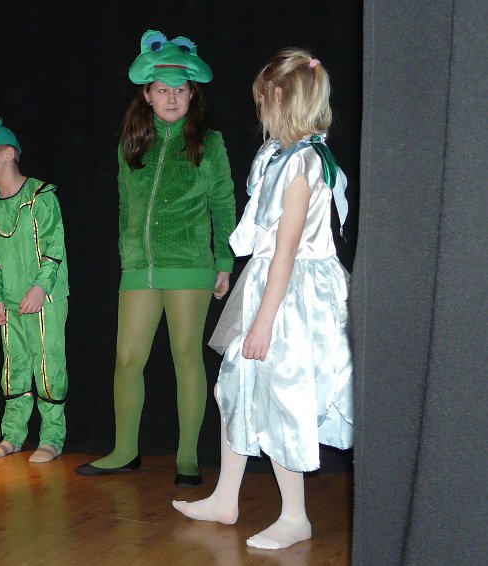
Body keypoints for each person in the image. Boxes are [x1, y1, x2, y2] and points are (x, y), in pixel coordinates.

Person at [172, 49, 354, 550]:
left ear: (279, 97)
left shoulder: (303, 164)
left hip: (291, 294)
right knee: (235, 387)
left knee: (282, 397)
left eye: (262, 101)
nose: (260, 111)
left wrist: (263, 322)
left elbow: (287, 250)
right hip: (270, 283)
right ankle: (225, 497)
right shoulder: (279, 154)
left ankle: (295, 516)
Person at [75, 30, 236, 486]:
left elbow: (223, 203)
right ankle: (125, 450)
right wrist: (127, 254)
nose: (171, 98)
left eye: (180, 90)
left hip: (190, 264)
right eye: (163, 90)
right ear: (147, 94)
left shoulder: (209, 142)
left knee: (186, 356)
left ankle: (188, 456)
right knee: (127, 357)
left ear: (192, 94)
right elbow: (125, 204)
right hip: (139, 267)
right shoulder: (130, 143)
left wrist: (224, 260)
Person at [0, 117, 69, 463]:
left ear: (8, 154)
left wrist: (40, 287)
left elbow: (53, 246)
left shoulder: (40, 196)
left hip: (46, 298)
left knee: (47, 364)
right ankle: (13, 435)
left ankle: (52, 437)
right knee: (14, 367)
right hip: (11, 300)